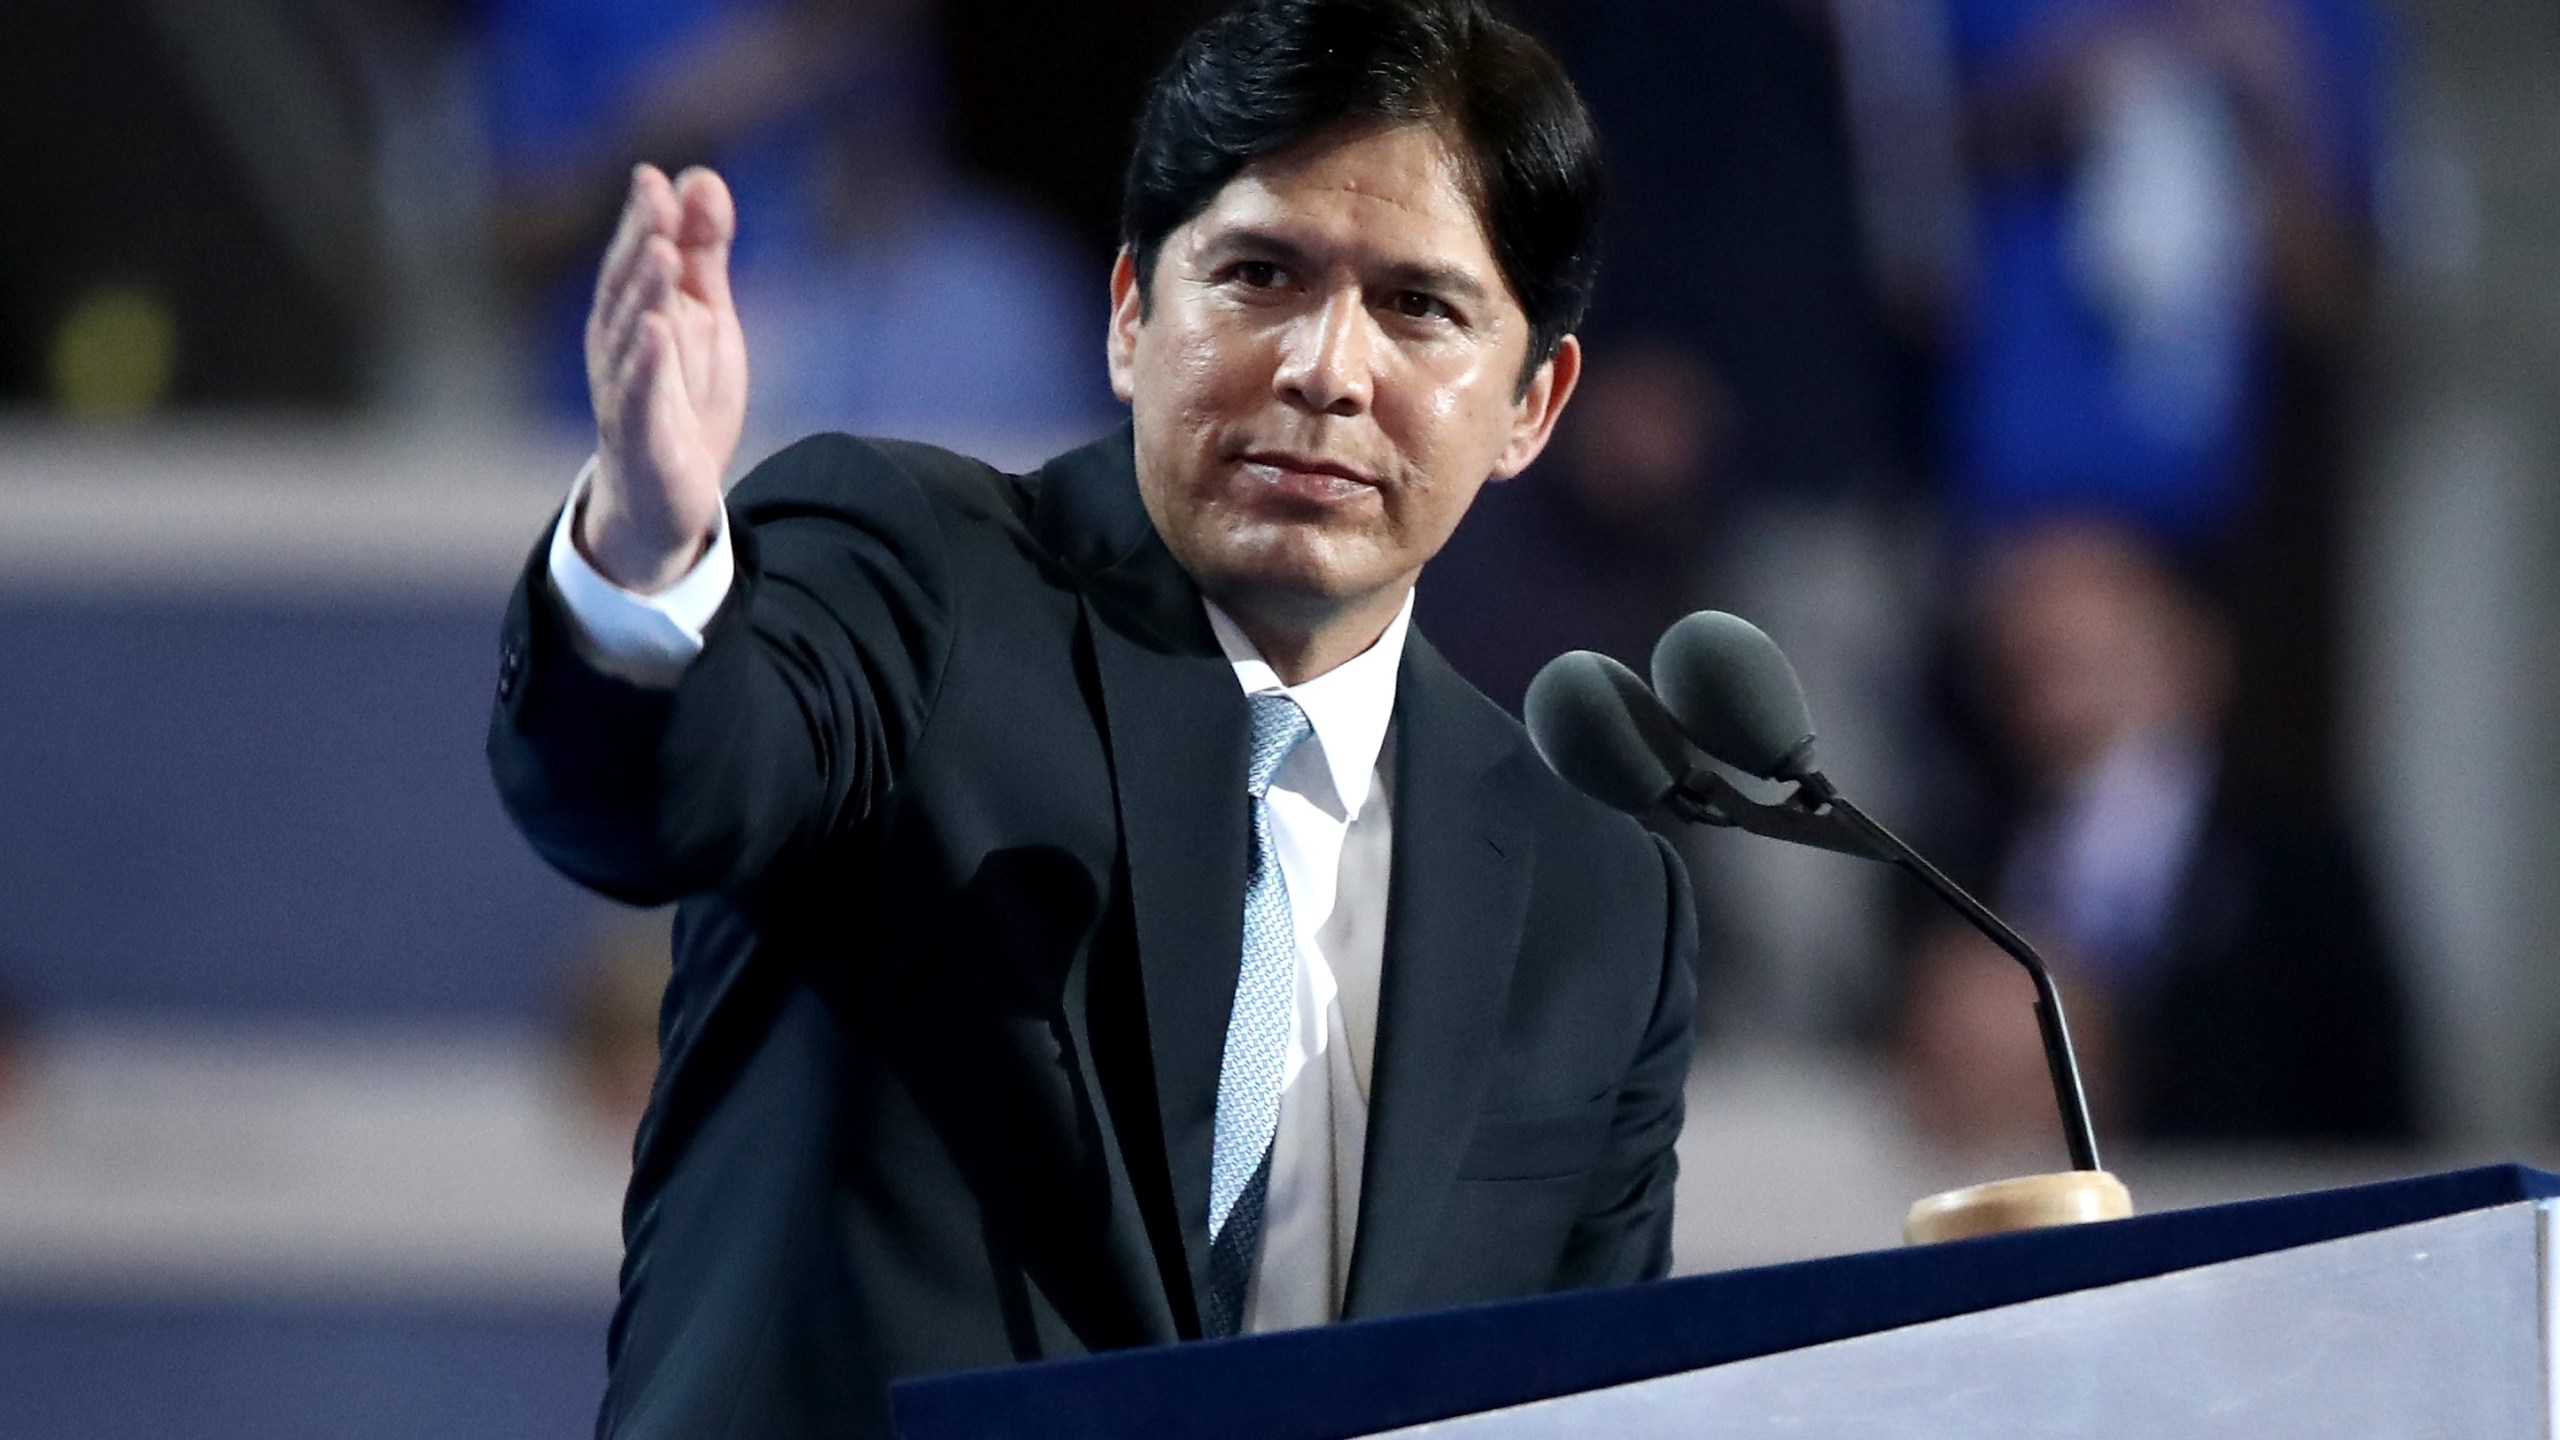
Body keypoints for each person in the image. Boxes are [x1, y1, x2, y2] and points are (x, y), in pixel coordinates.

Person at [485, 3, 1699, 1436]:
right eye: (1260, 273)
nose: (1326, 368)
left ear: (1530, 406)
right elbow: (654, 791)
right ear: (1133, 315)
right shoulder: (917, 577)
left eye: (1418, 308)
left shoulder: (1596, 903)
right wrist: (646, 553)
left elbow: (1574, 1407)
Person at [1893, 517, 2417, 1148]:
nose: (2059, 701)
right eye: (2033, 668)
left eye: (2087, 660)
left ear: (2191, 654)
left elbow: (2374, 1078)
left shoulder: (2291, 854)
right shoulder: (1965, 850)